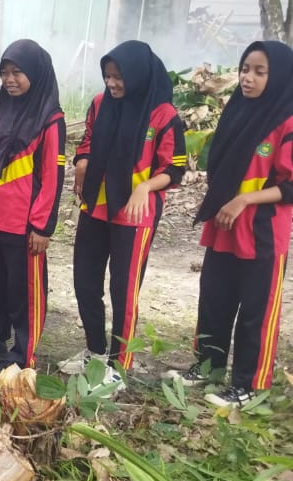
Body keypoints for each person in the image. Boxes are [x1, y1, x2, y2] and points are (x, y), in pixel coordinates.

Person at [170, 41, 293, 410]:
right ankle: (208, 366)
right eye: (245, 69)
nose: (247, 78)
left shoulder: (286, 119)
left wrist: (244, 200)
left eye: (259, 71)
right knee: (214, 298)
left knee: (256, 309)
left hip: (261, 231)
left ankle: (249, 385)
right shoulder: (237, 111)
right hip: (225, 225)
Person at [68, 41, 185, 388]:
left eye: (119, 77)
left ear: (137, 75)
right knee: (85, 282)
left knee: (124, 290)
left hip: (135, 216)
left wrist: (145, 187)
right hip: (96, 206)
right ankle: (96, 352)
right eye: (107, 76)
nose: (113, 84)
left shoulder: (163, 115)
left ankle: (120, 366)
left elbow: (174, 169)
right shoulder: (100, 104)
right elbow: (88, 140)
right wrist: (82, 161)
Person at [0, 39, 65, 370]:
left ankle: (24, 352)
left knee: (25, 290)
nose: (10, 80)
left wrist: (42, 226)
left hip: (25, 223)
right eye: (5, 73)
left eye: (17, 73)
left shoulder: (50, 118)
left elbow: (52, 176)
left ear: (35, 73)